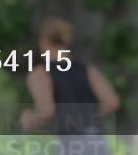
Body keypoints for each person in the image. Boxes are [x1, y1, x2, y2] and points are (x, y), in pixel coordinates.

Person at [20, 18, 120, 155]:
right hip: (96, 141)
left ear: (44, 41)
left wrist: (29, 118)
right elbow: (112, 102)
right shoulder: (87, 70)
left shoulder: (40, 74)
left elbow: (47, 110)